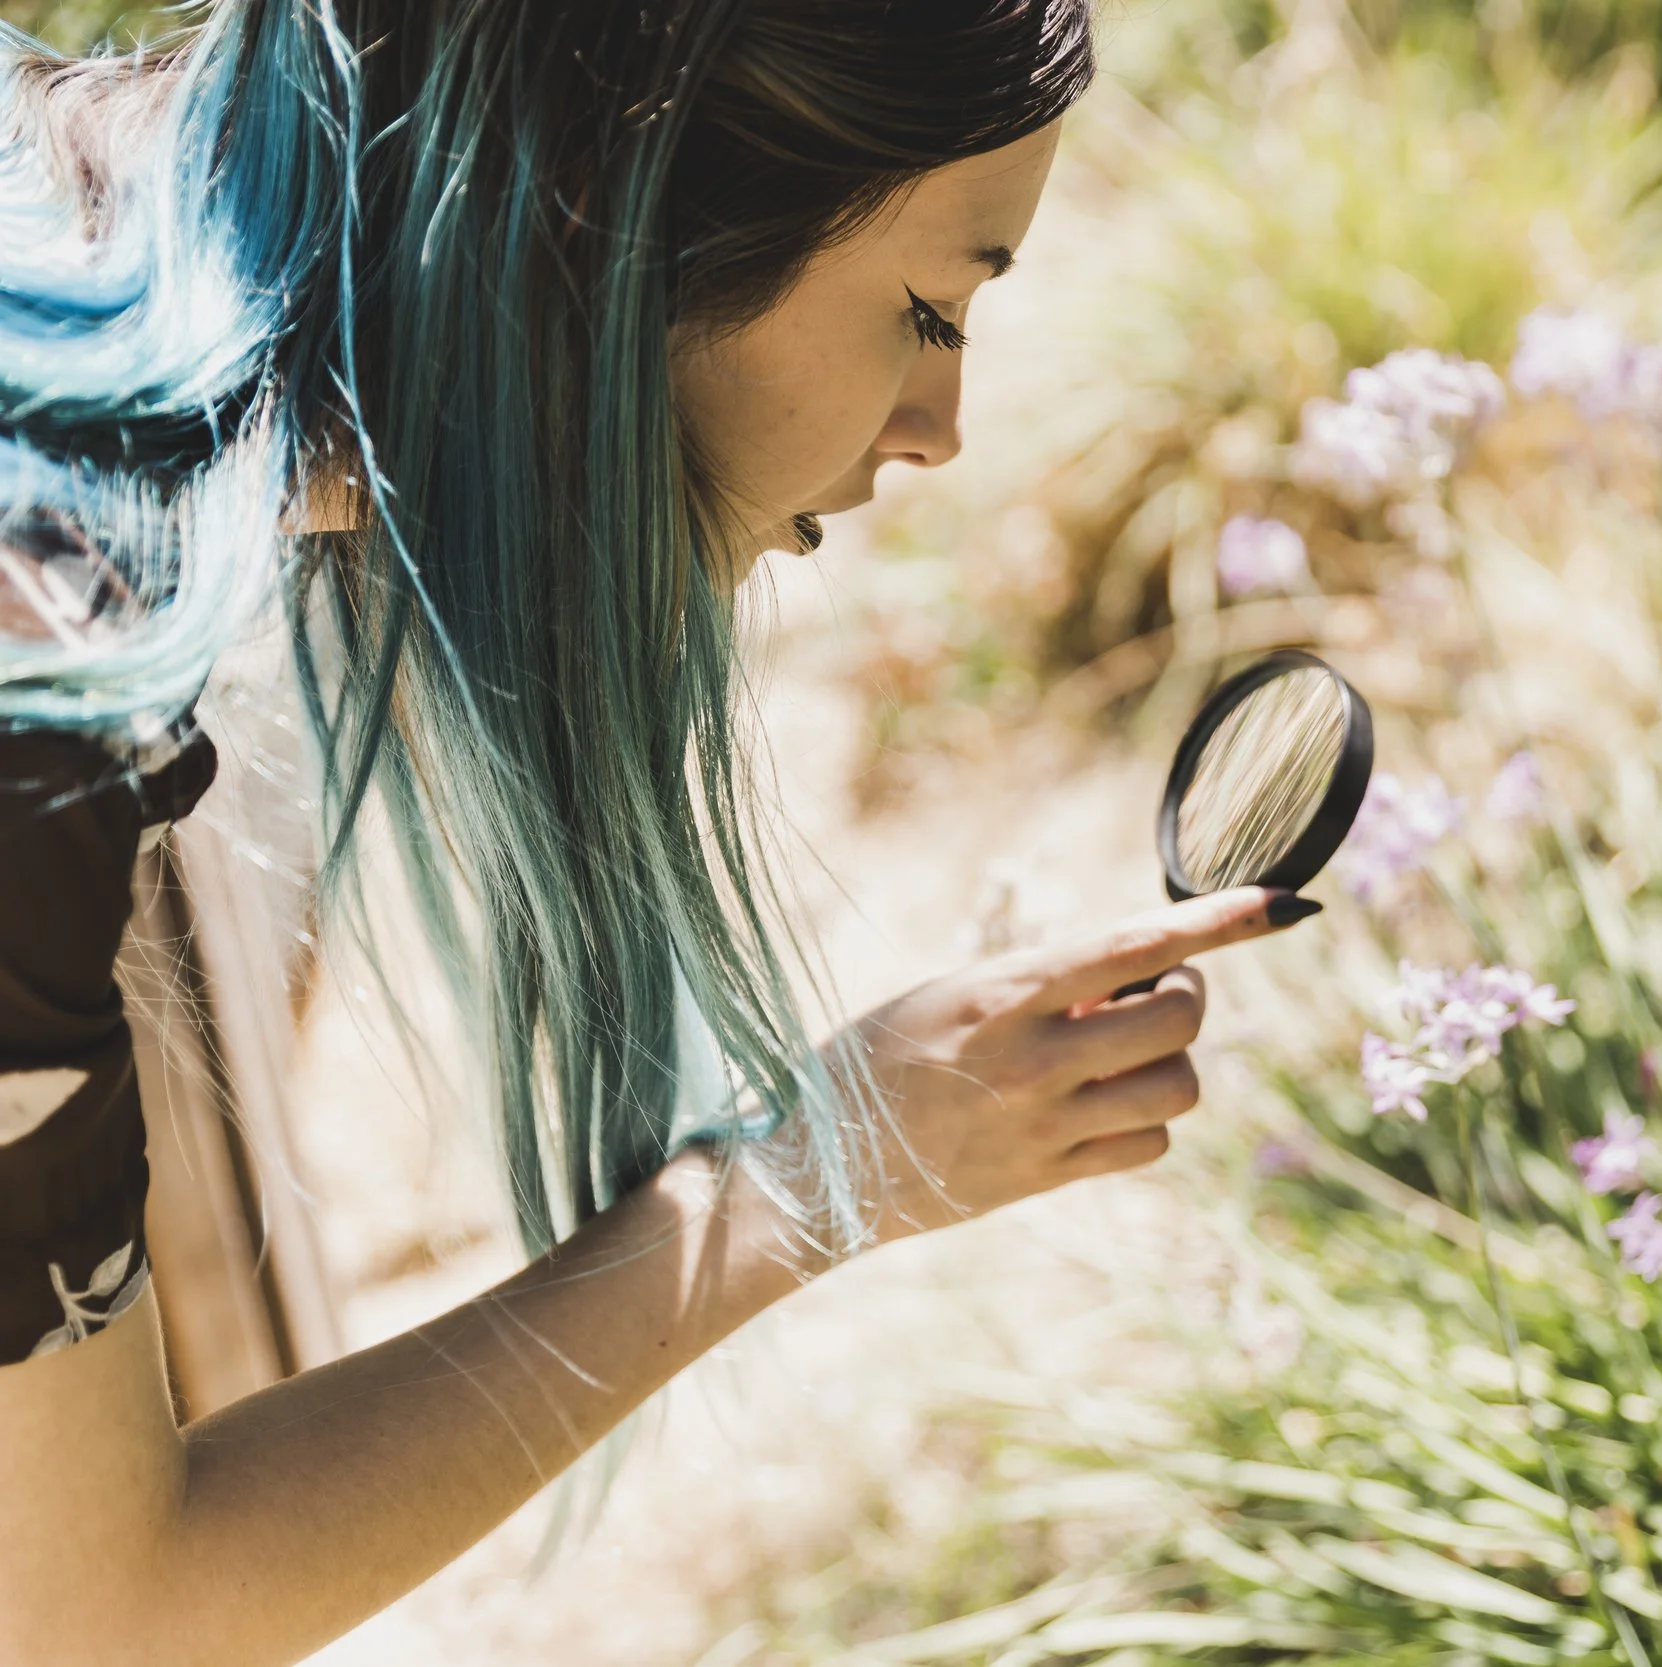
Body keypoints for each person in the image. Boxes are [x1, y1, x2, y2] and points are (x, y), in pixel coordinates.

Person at [0, 4, 1319, 1662]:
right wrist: (796, 1183)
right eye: (930, 308)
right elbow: (97, 1609)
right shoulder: (34, 645)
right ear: (607, 207)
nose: (939, 427)